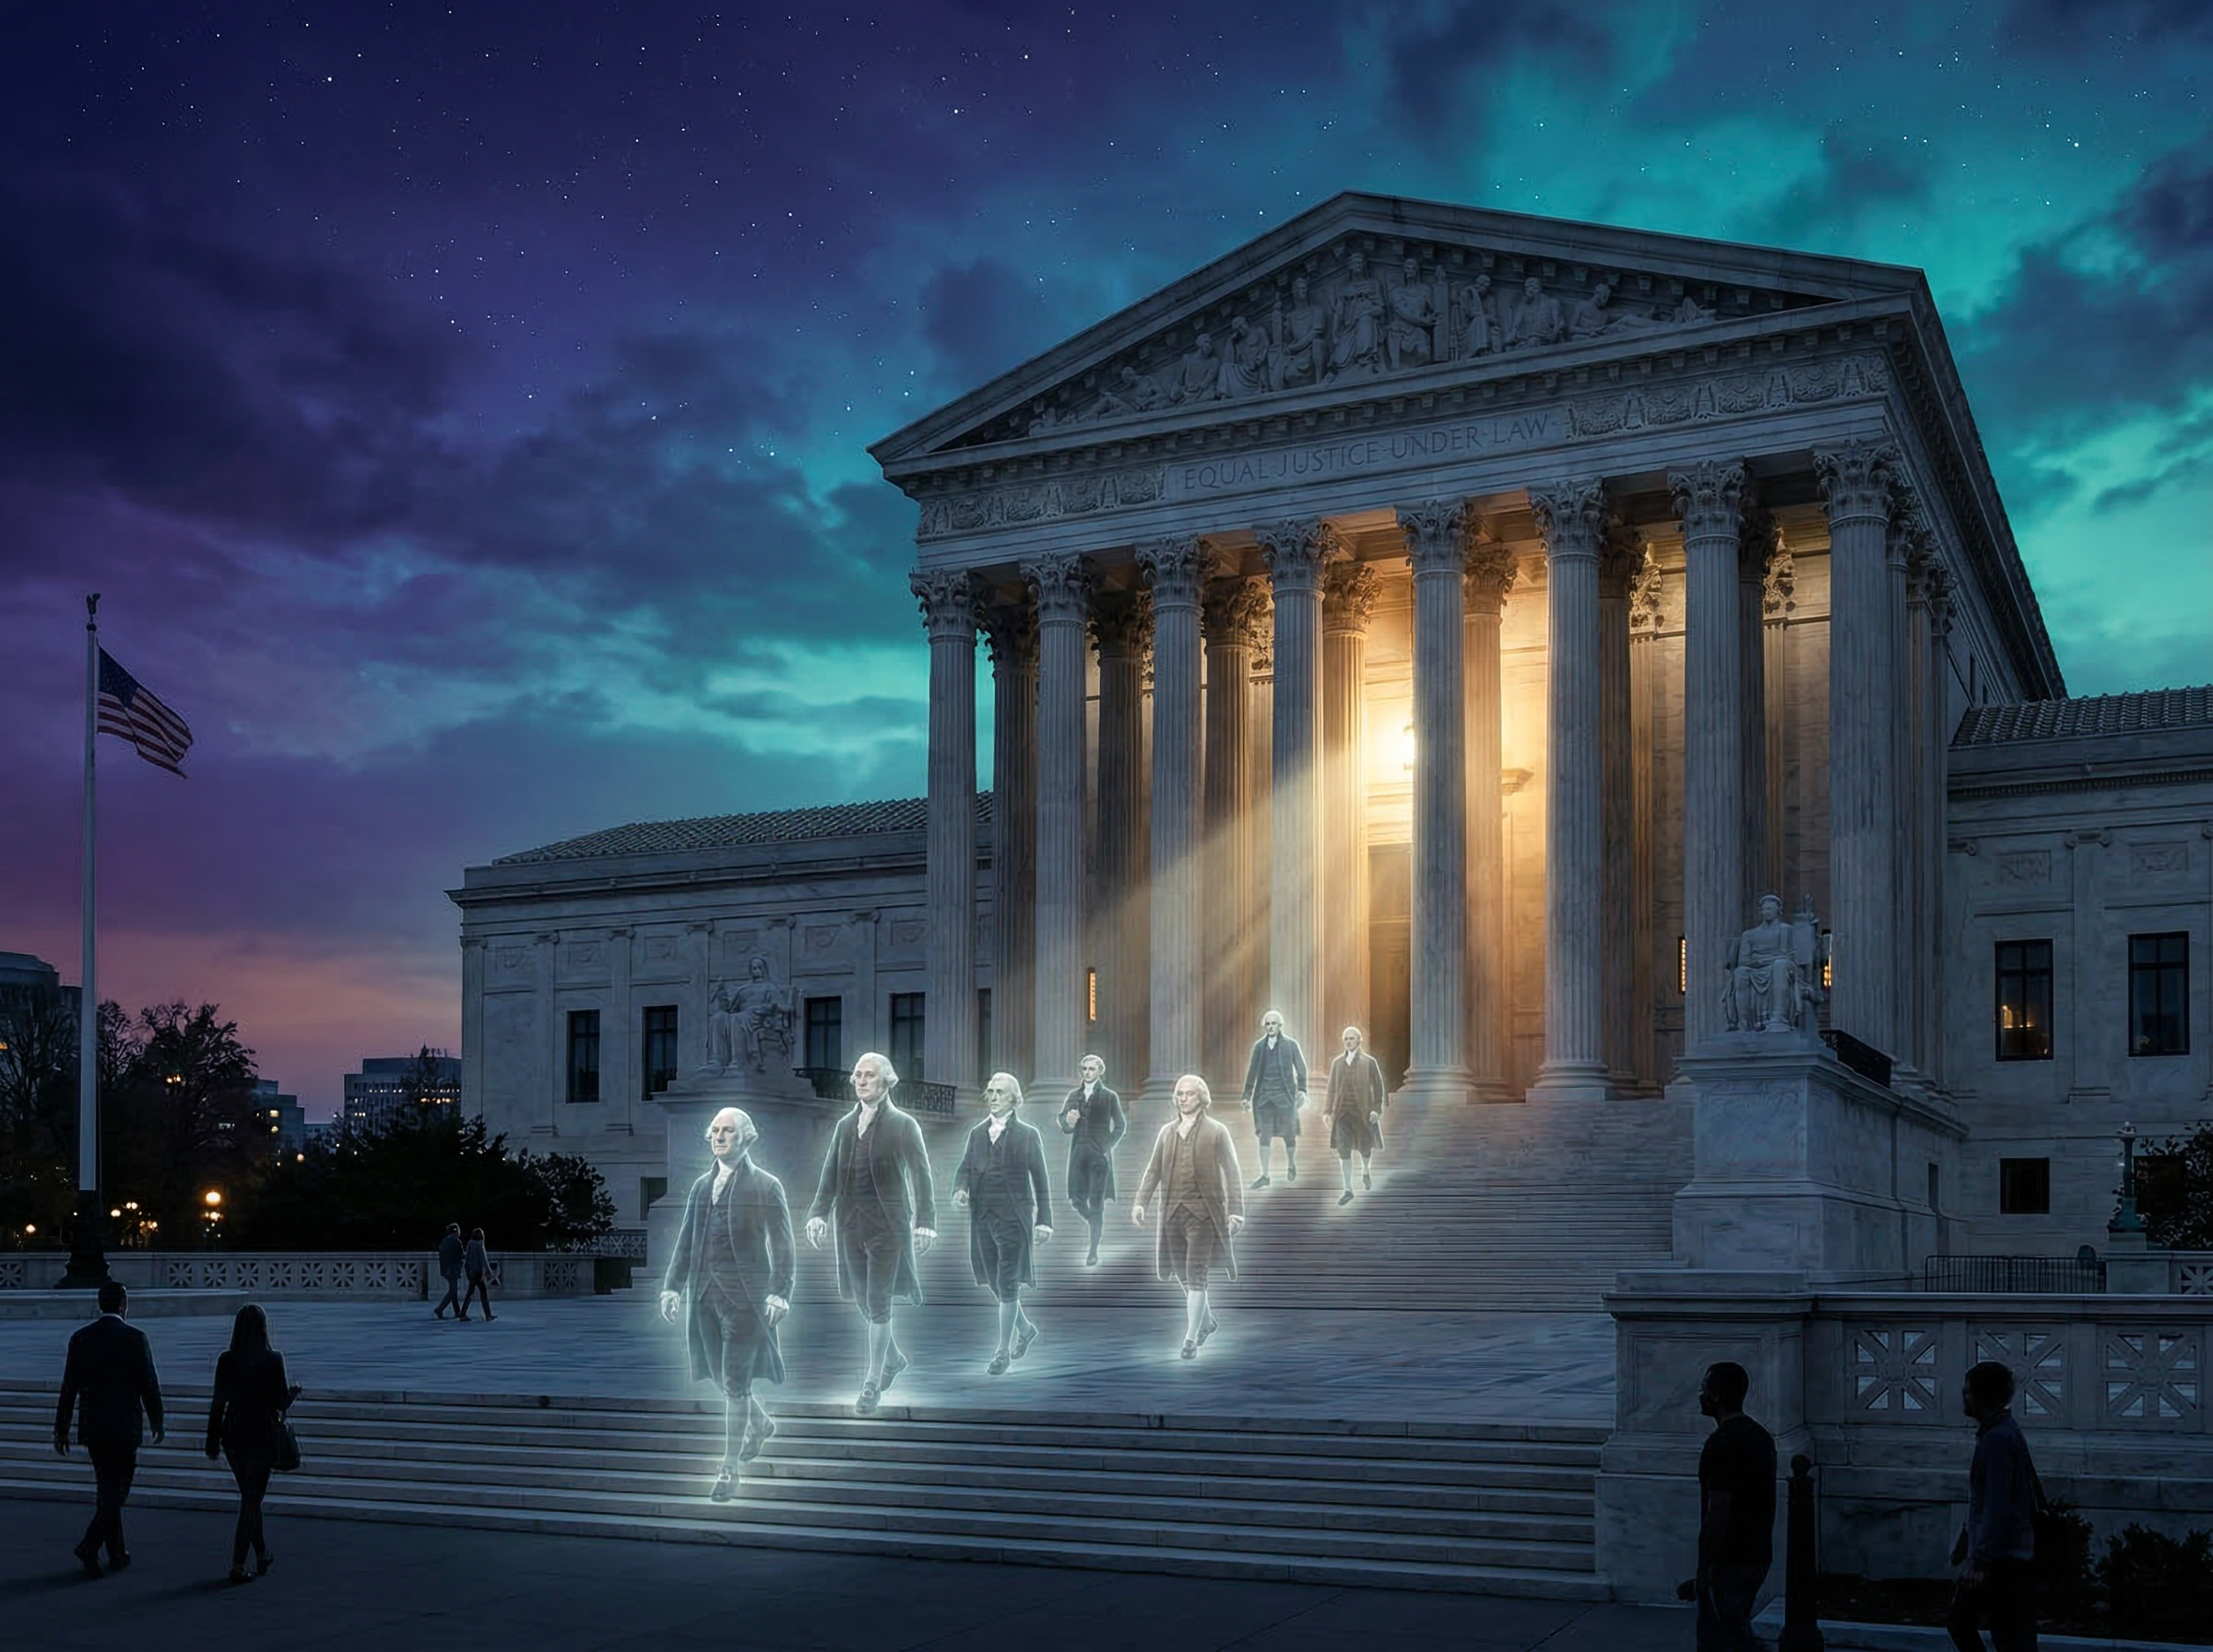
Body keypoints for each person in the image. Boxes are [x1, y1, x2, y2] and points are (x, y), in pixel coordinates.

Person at [661, 1106, 795, 1501]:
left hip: (746, 1301)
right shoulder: (701, 1187)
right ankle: (762, 1423)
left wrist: (780, 1292)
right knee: (720, 1378)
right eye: (715, 1131)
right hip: (704, 1297)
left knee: (736, 1383)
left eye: (729, 1131)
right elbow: (687, 1240)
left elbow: (783, 1244)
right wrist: (672, 1287)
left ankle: (728, 1469)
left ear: (746, 1138)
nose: (719, 1137)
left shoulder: (767, 1186)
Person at [806, 1051, 938, 1415]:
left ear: (887, 1082)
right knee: (863, 1300)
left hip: (888, 1226)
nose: (861, 1081)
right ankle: (893, 1358)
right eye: (858, 1075)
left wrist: (926, 1220)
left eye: (869, 1075)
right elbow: (830, 1173)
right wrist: (818, 1213)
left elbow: (921, 1174)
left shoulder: (904, 1125)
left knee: (879, 1301)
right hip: (850, 1224)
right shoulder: (844, 1126)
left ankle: (871, 1382)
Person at [53, 1280, 165, 1579]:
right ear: (123, 1305)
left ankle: (117, 1553)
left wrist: (61, 1428)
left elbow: (69, 1387)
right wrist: (157, 1419)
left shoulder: (81, 1338)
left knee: (106, 1488)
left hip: (93, 1426)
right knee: (118, 1491)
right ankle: (90, 1546)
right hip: (125, 1426)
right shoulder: (135, 1338)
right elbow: (148, 1383)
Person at [1131, 1074, 1247, 1360]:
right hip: (1171, 1213)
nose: (1183, 1098)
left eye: (1190, 1093)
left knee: (1196, 1273)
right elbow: (1153, 1170)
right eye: (1180, 1094)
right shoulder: (1166, 1132)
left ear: (1202, 1097)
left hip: (1204, 1215)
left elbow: (1232, 1171)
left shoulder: (1217, 1131)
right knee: (1182, 1274)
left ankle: (1190, 1339)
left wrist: (1236, 1211)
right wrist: (1140, 1202)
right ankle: (1206, 1322)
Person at [952, 1072, 1054, 1374]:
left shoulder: (1028, 1134)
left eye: (1000, 1092)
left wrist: (1044, 1220)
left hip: (1013, 1218)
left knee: (1008, 1282)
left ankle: (1002, 1352)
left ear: (1014, 1099)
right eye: (990, 1091)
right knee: (996, 1283)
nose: (993, 1097)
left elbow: (1041, 1179)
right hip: (982, 1217)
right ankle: (1026, 1329)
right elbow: (965, 1168)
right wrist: (960, 1189)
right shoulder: (976, 1134)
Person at [1676, 1361, 1777, 1652]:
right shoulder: (1760, 1436)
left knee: (1719, 1639)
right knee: (1738, 1634)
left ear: (1716, 1394)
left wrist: (1707, 1574)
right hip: (1757, 1554)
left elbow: (1719, 1510)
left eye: (1704, 1389)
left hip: (1730, 1561)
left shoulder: (1721, 1444)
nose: (1700, 1395)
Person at [204, 1304, 301, 1584]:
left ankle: (261, 1553)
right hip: (262, 1434)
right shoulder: (273, 1360)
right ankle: (237, 1563)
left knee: (249, 1497)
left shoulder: (227, 1360)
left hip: (233, 1434)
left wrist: (212, 1439)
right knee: (251, 1499)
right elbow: (279, 1402)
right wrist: (292, 1395)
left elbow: (218, 1403)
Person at [1947, 1360, 2040, 1652]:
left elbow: (1997, 1504)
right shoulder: (2000, 1433)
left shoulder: (1997, 1439)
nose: (1964, 1397)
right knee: (2008, 1636)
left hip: (2004, 1559)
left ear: (1981, 1396)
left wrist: (1981, 1561)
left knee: (1969, 1624)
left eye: (1967, 1392)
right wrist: (1967, 1542)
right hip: (2005, 1556)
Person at [1057, 1053, 1126, 1266]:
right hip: (1078, 1154)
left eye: (1091, 1069)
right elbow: (1063, 1121)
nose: (1087, 1073)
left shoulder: (1109, 1096)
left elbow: (1120, 1125)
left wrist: (1106, 1146)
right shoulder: (1073, 1095)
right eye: (1084, 1069)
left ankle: (1093, 1250)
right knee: (1077, 1199)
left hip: (1098, 1158)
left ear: (1100, 1071)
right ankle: (1094, 1221)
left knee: (1096, 1203)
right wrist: (1068, 1121)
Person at [1238, 1009, 1308, 1186]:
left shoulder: (1290, 1045)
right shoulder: (1259, 1047)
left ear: (1280, 1025)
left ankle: (1291, 1165)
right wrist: (1246, 1095)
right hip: (1264, 1099)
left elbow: (1301, 1069)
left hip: (1285, 1098)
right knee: (1264, 1136)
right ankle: (1265, 1176)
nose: (1270, 1027)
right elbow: (1252, 1072)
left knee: (1289, 1135)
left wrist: (1302, 1089)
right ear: (1264, 1026)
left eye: (1274, 1023)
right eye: (1268, 1024)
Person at [1324, 1025, 1387, 1204]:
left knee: (1365, 1149)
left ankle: (1366, 1171)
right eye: (1345, 1039)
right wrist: (1327, 1111)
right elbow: (1331, 1089)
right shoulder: (1337, 1063)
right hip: (1342, 1114)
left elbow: (1379, 1087)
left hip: (1362, 1113)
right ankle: (1348, 1189)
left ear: (1359, 1040)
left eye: (1351, 1038)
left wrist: (1376, 1109)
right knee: (1343, 1151)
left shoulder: (1369, 1062)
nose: (1348, 1042)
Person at [460, 1227, 494, 1321]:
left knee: (470, 1292)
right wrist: (488, 1270)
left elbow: (467, 1259)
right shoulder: (479, 1245)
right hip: (478, 1272)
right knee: (482, 1292)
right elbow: (483, 1259)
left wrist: (467, 1270)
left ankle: (463, 1314)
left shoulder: (470, 1244)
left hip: (472, 1271)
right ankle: (488, 1315)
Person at [432, 1221, 465, 1319]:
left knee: (453, 1290)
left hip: (446, 1269)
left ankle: (457, 1311)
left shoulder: (444, 1241)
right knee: (453, 1291)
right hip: (454, 1269)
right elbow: (460, 1256)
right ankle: (440, 1309)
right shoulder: (457, 1242)